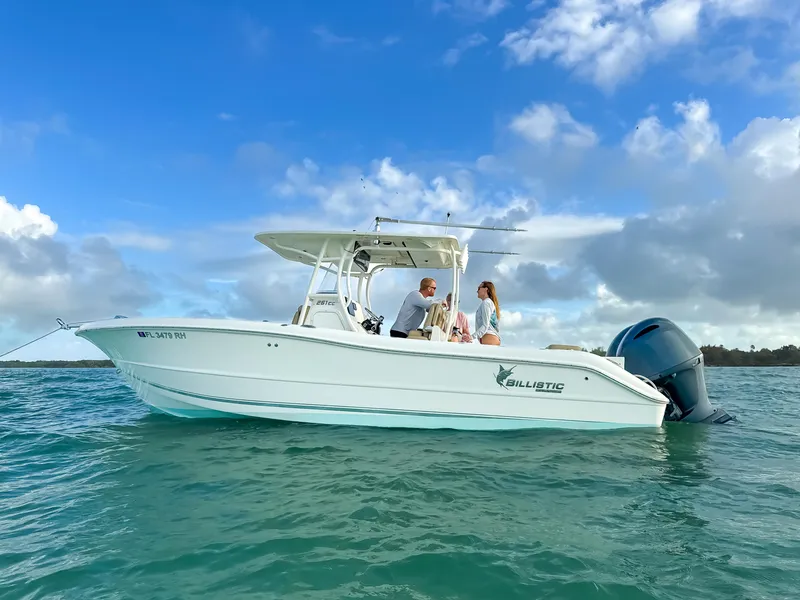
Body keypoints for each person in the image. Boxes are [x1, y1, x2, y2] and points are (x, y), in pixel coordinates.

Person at [474, 280, 500, 346]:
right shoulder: (488, 303)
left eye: (479, 288)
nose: (477, 291)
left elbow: (485, 325)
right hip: (490, 338)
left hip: (489, 338)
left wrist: (472, 337)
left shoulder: (486, 303)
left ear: (486, 289)